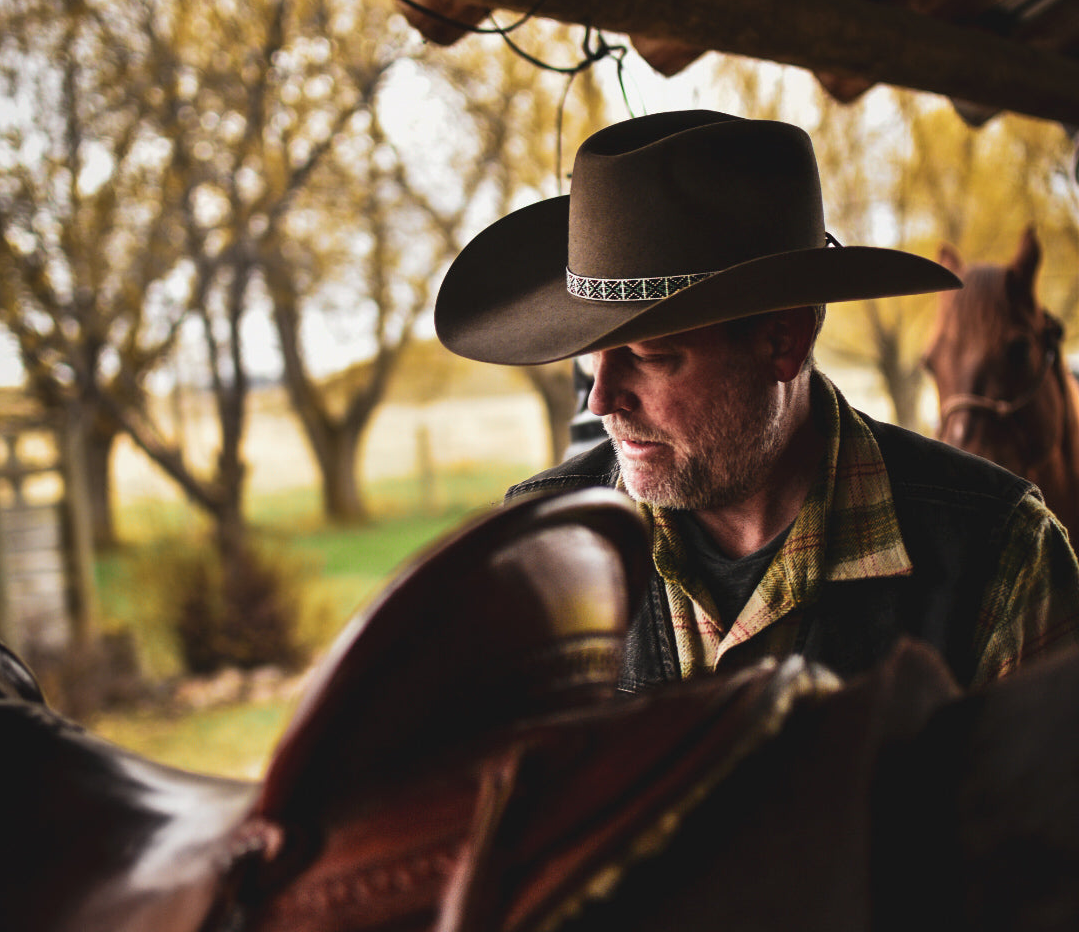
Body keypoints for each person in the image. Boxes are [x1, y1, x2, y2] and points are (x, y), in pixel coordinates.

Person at [435, 109, 1079, 690]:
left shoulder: (1000, 562)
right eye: (589, 355)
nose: (601, 399)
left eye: (652, 355)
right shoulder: (534, 551)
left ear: (782, 339)